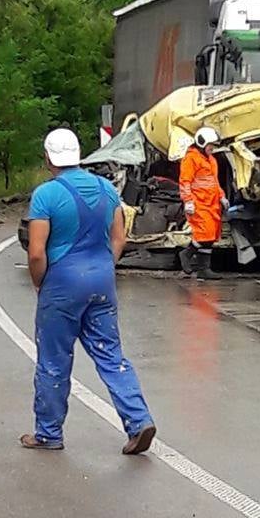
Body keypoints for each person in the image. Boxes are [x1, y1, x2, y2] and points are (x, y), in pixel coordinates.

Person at [21, 128, 156, 454]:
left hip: (63, 285)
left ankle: (48, 434)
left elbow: (36, 252)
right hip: (102, 282)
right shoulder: (106, 189)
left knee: (54, 360)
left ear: (48, 157)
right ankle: (139, 421)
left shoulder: (46, 195)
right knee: (111, 355)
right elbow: (119, 238)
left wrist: (40, 282)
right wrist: (102, 268)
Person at [179, 126, 229, 280]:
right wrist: (188, 201)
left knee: (211, 236)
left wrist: (221, 196)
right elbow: (185, 181)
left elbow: (214, 182)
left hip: (212, 203)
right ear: (202, 143)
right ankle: (186, 254)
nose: (212, 148)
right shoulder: (191, 159)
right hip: (198, 203)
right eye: (210, 145)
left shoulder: (212, 160)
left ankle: (204, 269)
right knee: (204, 234)